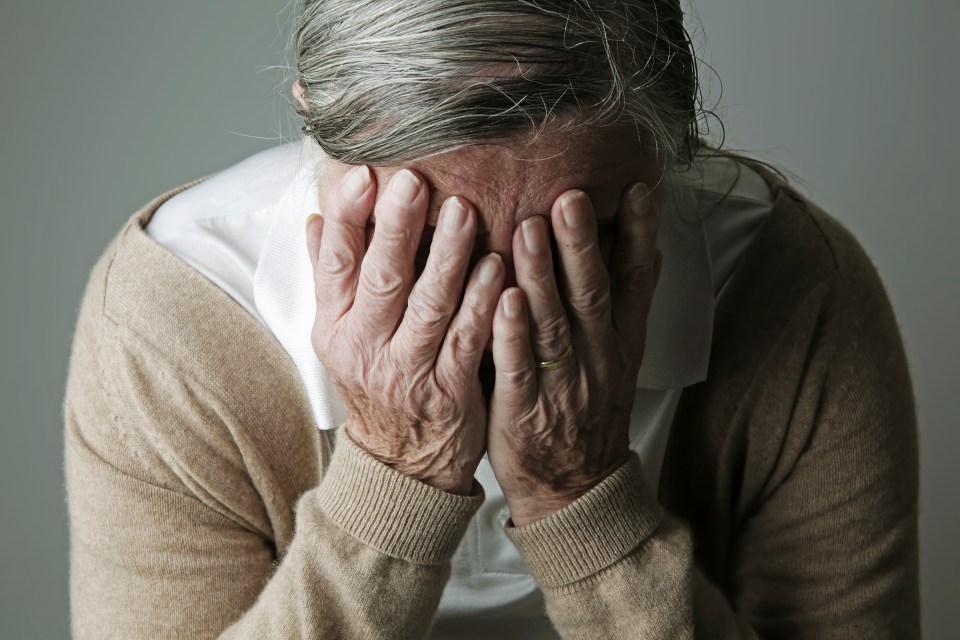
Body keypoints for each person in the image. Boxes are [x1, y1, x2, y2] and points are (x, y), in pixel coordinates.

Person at [64, 1, 920, 638]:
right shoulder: (175, 316)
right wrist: (396, 472)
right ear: (320, 142)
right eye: (435, 243)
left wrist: (580, 498)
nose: (508, 313)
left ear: (670, 159)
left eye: (580, 236)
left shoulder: (789, 287)